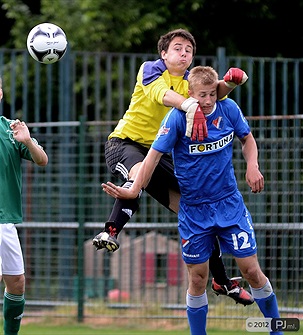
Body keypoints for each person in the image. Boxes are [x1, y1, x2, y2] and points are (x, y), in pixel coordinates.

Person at [101, 65, 283, 335]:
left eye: (212, 94)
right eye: (202, 96)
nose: (208, 101)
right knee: (197, 279)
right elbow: (151, 158)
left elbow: (247, 139)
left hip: (229, 205)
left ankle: (276, 329)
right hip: (194, 212)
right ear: (190, 93)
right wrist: (133, 190)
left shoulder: (229, 108)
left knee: (252, 272)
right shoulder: (176, 119)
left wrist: (253, 166)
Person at [93, 28, 253, 305]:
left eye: (188, 50)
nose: (183, 53)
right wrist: (190, 106)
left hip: (160, 156)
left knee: (198, 211)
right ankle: (111, 231)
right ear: (164, 53)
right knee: (137, 175)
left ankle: (221, 281)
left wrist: (231, 81)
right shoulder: (150, 70)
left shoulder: (191, 83)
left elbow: (215, 93)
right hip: (126, 144)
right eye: (177, 48)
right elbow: (161, 96)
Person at [0, 77, 49, 335]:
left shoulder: (11, 128)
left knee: (17, 283)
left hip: (6, 221)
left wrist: (27, 140)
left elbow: (43, 160)